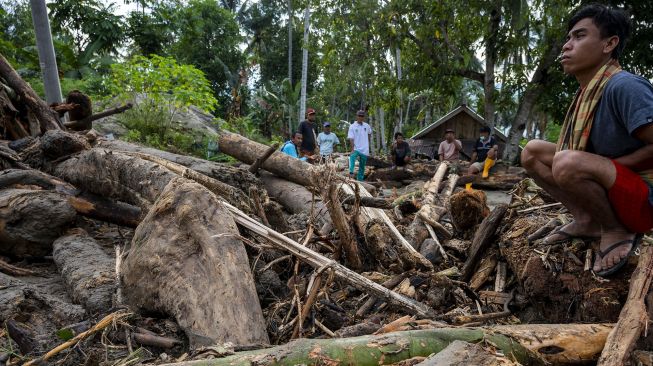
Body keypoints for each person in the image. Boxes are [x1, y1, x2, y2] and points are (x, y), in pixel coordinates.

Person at [520, 4, 653, 276]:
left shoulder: (623, 86)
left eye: (579, 36)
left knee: (568, 162)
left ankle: (616, 229)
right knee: (532, 151)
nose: (567, 46)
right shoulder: (586, 94)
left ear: (609, 44)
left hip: (644, 202)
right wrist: (600, 167)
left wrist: (607, 166)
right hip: (617, 187)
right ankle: (588, 219)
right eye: (568, 38)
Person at [348, 110, 372, 181]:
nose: (360, 117)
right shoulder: (352, 126)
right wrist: (352, 149)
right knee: (352, 157)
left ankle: (360, 180)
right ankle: (351, 172)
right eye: (359, 116)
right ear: (357, 116)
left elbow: (369, 133)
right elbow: (351, 138)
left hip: (365, 149)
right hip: (356, 148)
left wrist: (367, 142)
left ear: (364, 117)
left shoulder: (367, 126)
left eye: (362, 116)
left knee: (362, 166)